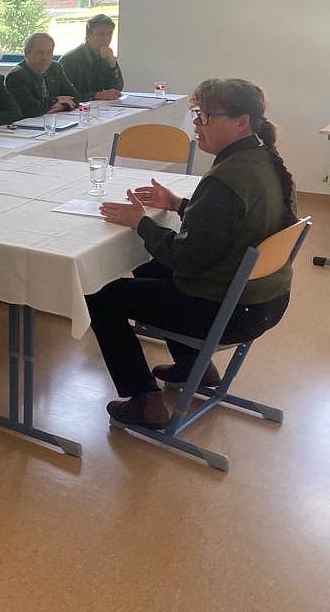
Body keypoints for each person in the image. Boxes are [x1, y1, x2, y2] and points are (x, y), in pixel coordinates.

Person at [85, 79, 297, 428]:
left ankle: (144, 401)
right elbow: (232, 224)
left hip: (229, 311)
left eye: (206, 116)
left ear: (241, 121)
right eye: (197, 114)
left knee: (101, 296)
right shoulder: (264, 161)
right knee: (149, 265)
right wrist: (179, 204)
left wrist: (141, 223)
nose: (197, 124)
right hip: (266, 301)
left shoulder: (225, 179)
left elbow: (185, 258)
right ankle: (194, 366)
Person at [4, 33, 81, 118]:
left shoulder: (55, 68)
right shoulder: (16, 76)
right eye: (40, 52)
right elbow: (29, 109)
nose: (45, 58)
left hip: (54, 120)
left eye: (49, 52)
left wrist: (62, 106)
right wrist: (56, 100)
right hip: (29, 125)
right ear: (27, 52)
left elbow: (76, 97)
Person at [59, 14, 124, 101]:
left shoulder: (106, 56)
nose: (106, 38)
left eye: (109, 34)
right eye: (101, 34)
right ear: (88, 36)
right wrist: (96, 95)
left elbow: (117, 89)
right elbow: (67, 96)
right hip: (79, 108)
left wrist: (113, 64)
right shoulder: (70, 60)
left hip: (99, 106)